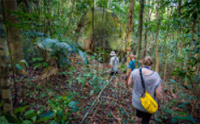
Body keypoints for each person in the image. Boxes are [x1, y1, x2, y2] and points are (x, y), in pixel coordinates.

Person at [127, 56, 163, 124]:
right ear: (152, 64)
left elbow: (129, 83)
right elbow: (158, 93)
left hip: (137, 101)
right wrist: (159, 102)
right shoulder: (156, 76)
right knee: (146, 119)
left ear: (142, 63)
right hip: (149, 103)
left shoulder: (135, 72)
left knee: (138, 116)